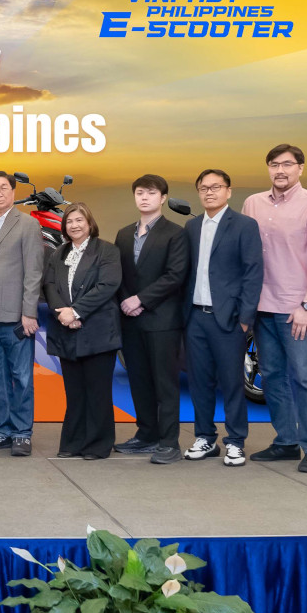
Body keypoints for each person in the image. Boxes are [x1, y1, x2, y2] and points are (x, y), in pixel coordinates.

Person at [243, 144, 307, 473]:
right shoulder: (252, 203)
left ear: (300, 168)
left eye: (286, 164)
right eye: (273, 164)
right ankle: (285, 441)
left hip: (298, 309)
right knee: (272, 377)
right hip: (262, 307)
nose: (279, 170)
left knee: (306, 379)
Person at [182, 169, 263, 468]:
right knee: (199, 382)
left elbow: (253, 272)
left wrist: (245, 318)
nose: (209, 192)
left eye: (216, 187)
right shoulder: (191, 227)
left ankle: (236, 441)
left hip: (229, 319)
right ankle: (205, 437)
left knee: (232, 383)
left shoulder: (244, 225)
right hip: (195, 317)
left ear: (228, 191)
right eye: (204, 188)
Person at [112, 174, 189, 465]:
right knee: (139, 380)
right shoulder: (123, 234)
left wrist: (140, 300)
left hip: (162, 321)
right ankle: (146, 435)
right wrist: (126, 301)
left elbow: (175, 275)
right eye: (140, 192)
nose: (144, 197)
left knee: (164, 383)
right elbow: (118, 275)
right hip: (130, 320)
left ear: (163, 198)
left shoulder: (175, 233)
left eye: (151, 193)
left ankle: (169, 443)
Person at [42, 202, 122, 460]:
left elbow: (107, 285)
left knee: (98, 392)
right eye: (69, 221)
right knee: (74, 392)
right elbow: (49, 285)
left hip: (97, 331)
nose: (74, 225)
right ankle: (73, 442)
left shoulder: (107, 250)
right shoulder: (59, 253)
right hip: (66, 331)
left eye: (79, 220)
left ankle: (97, 445)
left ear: (89, 223)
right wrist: (63, 314)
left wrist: (76, 312)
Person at [0, 171, 45, 457]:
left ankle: (22, 434)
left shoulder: (27, 224)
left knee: (22, 376)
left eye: (4, 188)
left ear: (13, 193)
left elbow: (34, 271)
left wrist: (29, 312)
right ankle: (2, 431)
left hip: (16, 315)